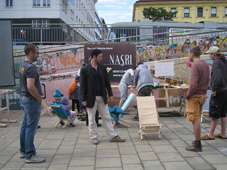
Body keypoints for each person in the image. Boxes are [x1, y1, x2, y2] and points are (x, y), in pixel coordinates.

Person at [80, 49, 126, 145]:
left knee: (107, 117)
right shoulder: (84, 69)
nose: (101, 58)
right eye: (100, 57)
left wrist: (110, 93)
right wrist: (83, 99)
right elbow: (82, 85)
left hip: (102, 97)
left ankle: (113, 136)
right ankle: (94, 137)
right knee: (92, 119)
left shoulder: (102, 68)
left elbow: (107, 82)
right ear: (94, 57)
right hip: (90, 98)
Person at [18, 43, 45, 163]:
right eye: (37, 53)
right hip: (31, 100)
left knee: (25, 125)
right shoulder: (31, 68)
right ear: (31, 53)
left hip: (25, 99)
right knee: (31, 128)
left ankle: (23, 151)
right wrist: (39, 98)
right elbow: (30, 86)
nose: (38, 55)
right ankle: (30, 155)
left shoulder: (22, 66)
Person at [185, 46, 210, 152]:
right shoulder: (205, 64)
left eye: (188, 54)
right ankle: (197, 141)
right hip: (203, 94)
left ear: (192, 54)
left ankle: (197, 144)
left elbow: (194, 84)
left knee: (195, 120)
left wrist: (187, 95)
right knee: (197, 118)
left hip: (194, 96)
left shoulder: (195, 65)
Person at [201, 46, 227, 140]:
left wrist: (214, 89)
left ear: (214, 54)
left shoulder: (216, 63)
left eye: (210, 54)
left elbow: (218, 78)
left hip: (219, 90)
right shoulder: (224, 62)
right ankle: (223, 133)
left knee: (215, 112)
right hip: (225, 90)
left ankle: (210, 133)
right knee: (223, 112)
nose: (209, 55)